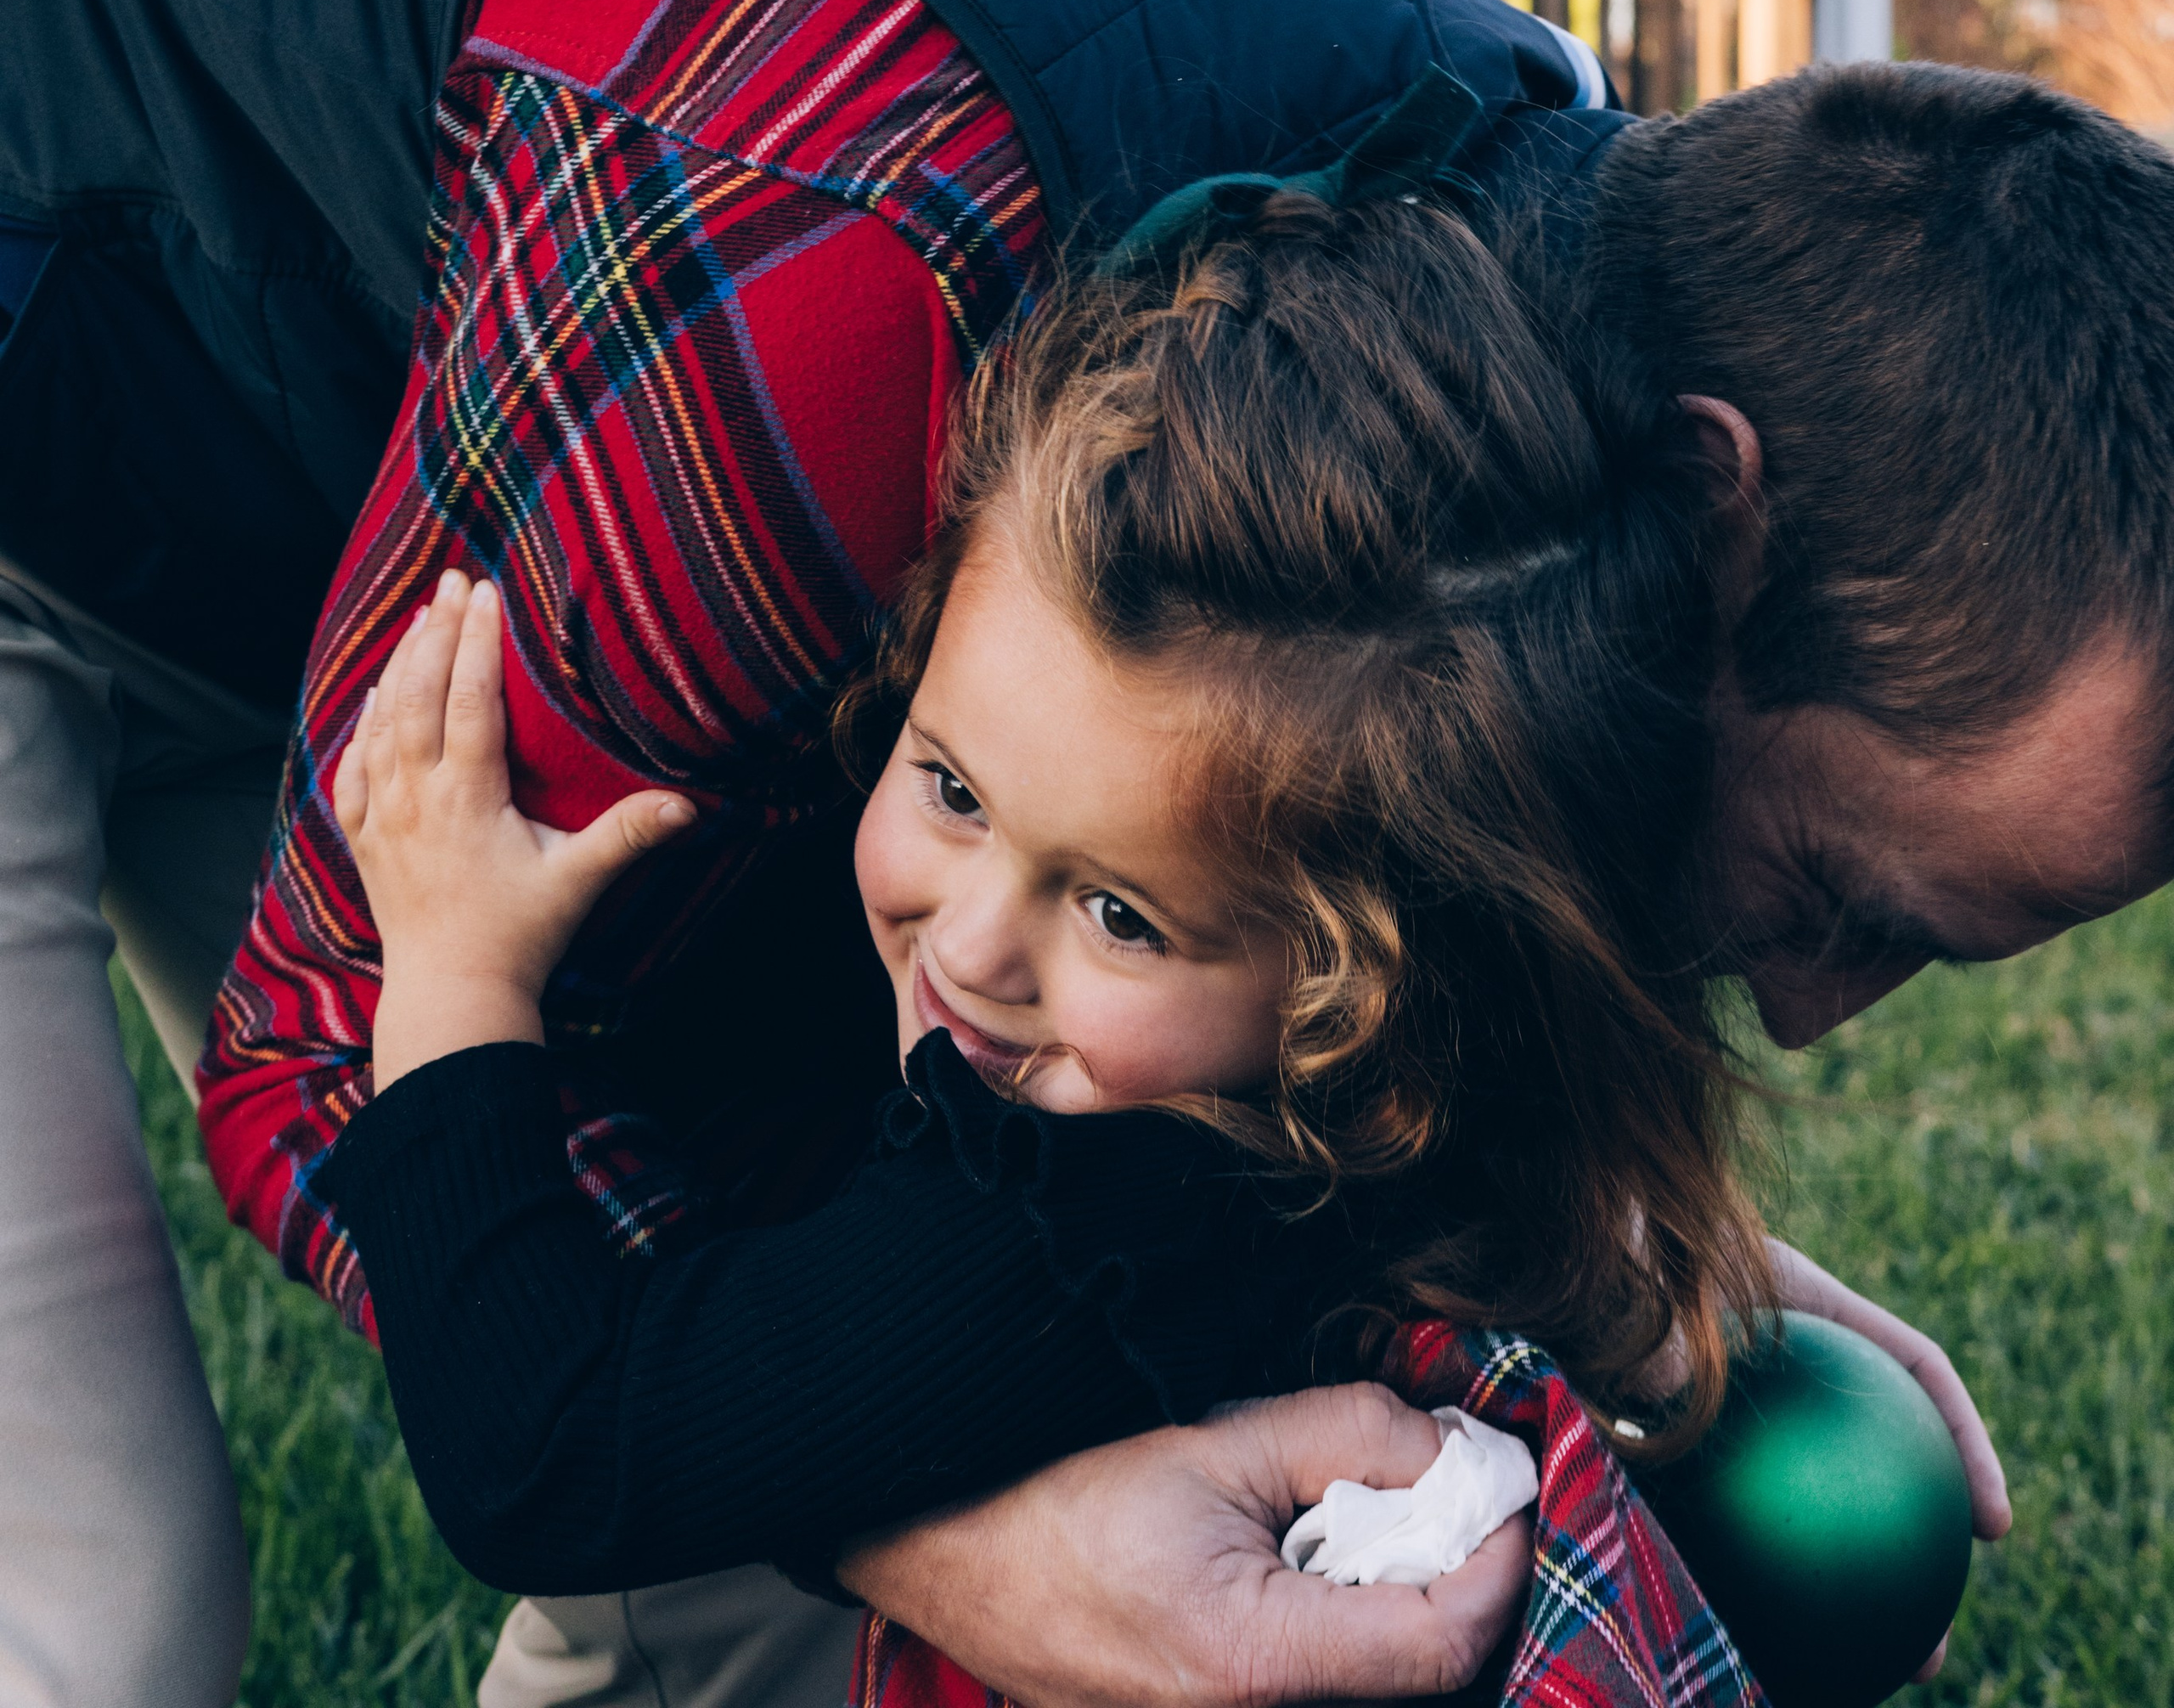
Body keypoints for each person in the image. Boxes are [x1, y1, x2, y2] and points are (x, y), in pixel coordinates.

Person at [0, 0, 2132, 1705]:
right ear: (1702, 526)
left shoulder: (1451, 348)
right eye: (1845, 898)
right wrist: (960, 1545)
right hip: (127, 346)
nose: (1808, 1014)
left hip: (345, 438)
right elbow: (346, 1038)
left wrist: (1538, 1220)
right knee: (92, 1609)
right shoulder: (863, 279)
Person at [318, 185, 1774, 1708]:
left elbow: (550, 1454)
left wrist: (453, 977)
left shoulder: (1075, 1239)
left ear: (1371, 994)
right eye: (952, 790)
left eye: (1120, 916)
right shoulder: (1433, 1129)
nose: (968, 948)